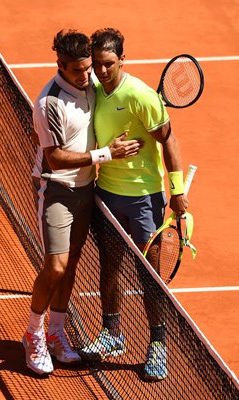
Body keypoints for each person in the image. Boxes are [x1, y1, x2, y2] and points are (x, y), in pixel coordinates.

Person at [22, 29, 141, 375]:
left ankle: (57, 333)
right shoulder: (49, 103)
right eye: (78, 70)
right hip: (56, 189)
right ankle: (33, 333)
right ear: (60, 64)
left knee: (72, 264)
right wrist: (106, 154)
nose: (87, 75)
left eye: (88, 68)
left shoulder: (91, 86)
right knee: (56, 266)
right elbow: (56, 158)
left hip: (86, 189)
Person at [79, 28, 189, 382]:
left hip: (144, 199)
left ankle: (158, 345)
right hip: (106, 193)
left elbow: (169, 142)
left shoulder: (141, 95)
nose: (102, 70)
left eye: (108, 64)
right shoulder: (94, 90)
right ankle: (112, 334)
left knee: (149, 276)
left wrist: (177, 191)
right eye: (96, 64)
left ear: (122, 59)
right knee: (109, 267)